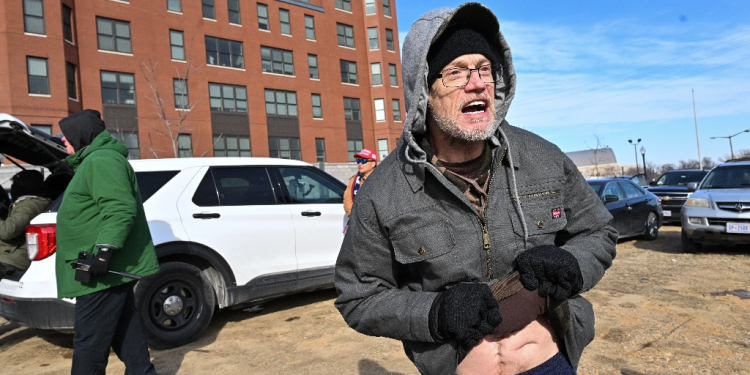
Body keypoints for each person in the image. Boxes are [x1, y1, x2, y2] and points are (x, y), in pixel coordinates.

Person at [333, 3, 617, 375]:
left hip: (546, 362)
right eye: (456, 72)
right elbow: (359, 295)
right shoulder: (384, 190)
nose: (478, 82)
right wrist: (435, 313)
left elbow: (598, 231)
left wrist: (572, 264)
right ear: (425, 91)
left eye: (484, 69)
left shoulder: (543, 158)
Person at [55, 109, 160, 375]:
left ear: (81, 136)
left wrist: (103, 254)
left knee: (89, 340)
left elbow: (120, 209)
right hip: (104, 268)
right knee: (125, 331)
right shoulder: (95, 160)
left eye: (65, 137)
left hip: (101, 269)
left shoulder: (101, 160)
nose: (63, 142)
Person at [0, 170, 53, 279]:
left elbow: (7, 231)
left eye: (15, 185)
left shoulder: (30, 205)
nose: (12, 188)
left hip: (11, 260)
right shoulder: (27, 203)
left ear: (24, 187)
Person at [343, 148, 378, 217]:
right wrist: (353, 217)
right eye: (358, 160)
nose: (360, 164)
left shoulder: (381, 179)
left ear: (373, 163)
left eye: (364, 161)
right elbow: (347, 200)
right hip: (358, 221)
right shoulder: (353, 180)